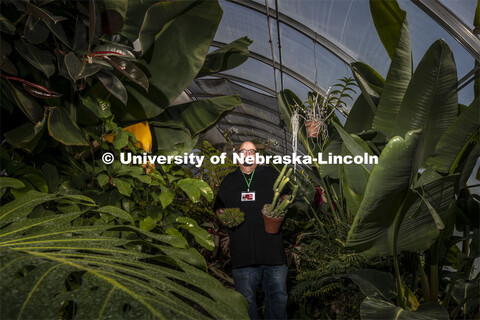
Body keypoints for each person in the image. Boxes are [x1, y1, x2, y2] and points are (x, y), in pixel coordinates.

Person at [213, 141, 290, 320]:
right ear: (238, 155)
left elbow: (287, 193)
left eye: (252, 151)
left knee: (277, 300)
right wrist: (222, 214)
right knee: (246, 304)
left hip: (273, 254)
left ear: (257, 155)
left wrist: (281, 203)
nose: (247, 154)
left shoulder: (270, 174)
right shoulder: (229, 180)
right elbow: (218, 206)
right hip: (243, 255)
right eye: (243, 151)